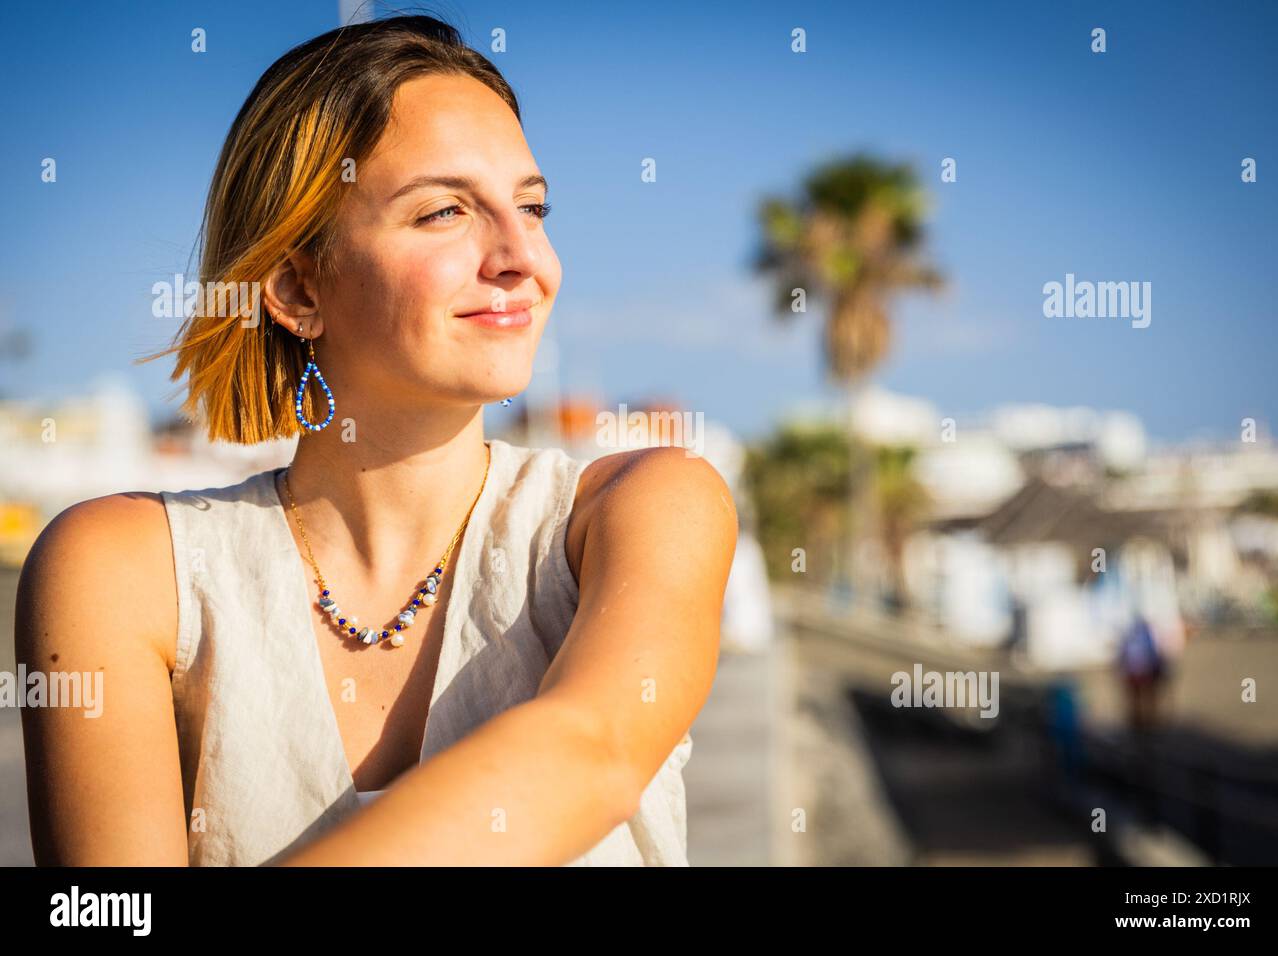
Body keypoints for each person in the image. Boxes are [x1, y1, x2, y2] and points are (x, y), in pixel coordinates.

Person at [14, 15, 737, 866]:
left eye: (532, 206)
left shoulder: (644, 507)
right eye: (444, 211)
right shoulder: (123, 570)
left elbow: (590, 752)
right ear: (295, 287)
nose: (522, 256)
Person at [1116, 613, 1165, 734]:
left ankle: (1147, 724)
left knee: (1145, 699)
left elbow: (1154, 653)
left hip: (1142, 672)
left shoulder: (1136, 635)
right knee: (1139, 700)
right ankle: (1140, 725)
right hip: (1136, 673)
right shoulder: (1143, 635)